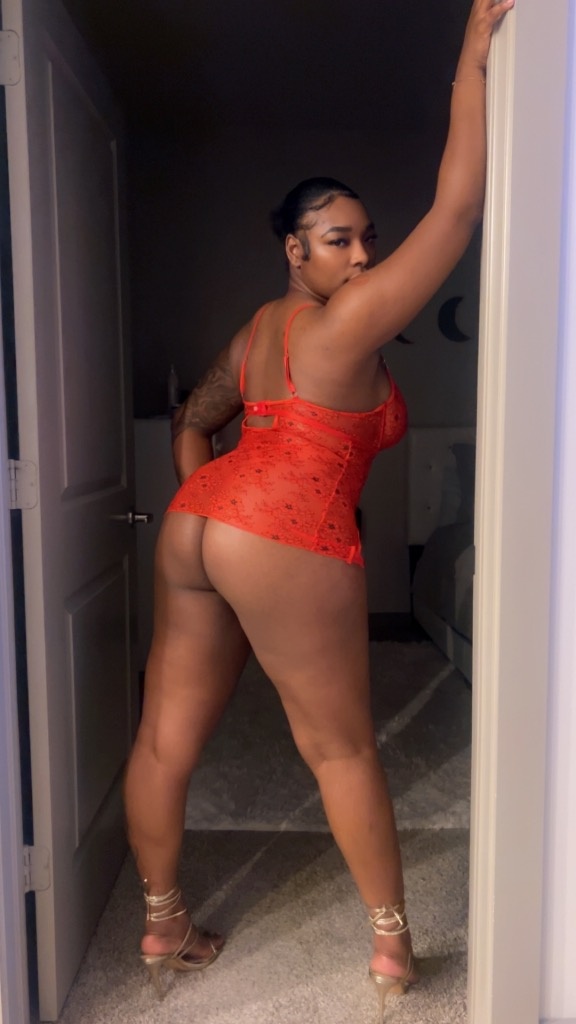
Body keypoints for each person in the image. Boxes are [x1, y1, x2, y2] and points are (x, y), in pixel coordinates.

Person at [123, 0, 515, 1017]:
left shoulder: (258, 330)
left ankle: (164, 924)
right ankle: (393, 949)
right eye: (339, 240)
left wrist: (203, 494)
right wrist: (472, 58)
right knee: (340, 747)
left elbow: (197, 417)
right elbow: (458, 212)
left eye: (368, 240)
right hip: (280, 527)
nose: (363, 257)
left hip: (201, 523)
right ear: (294, 250)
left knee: (165, 737)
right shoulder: (347, 327)